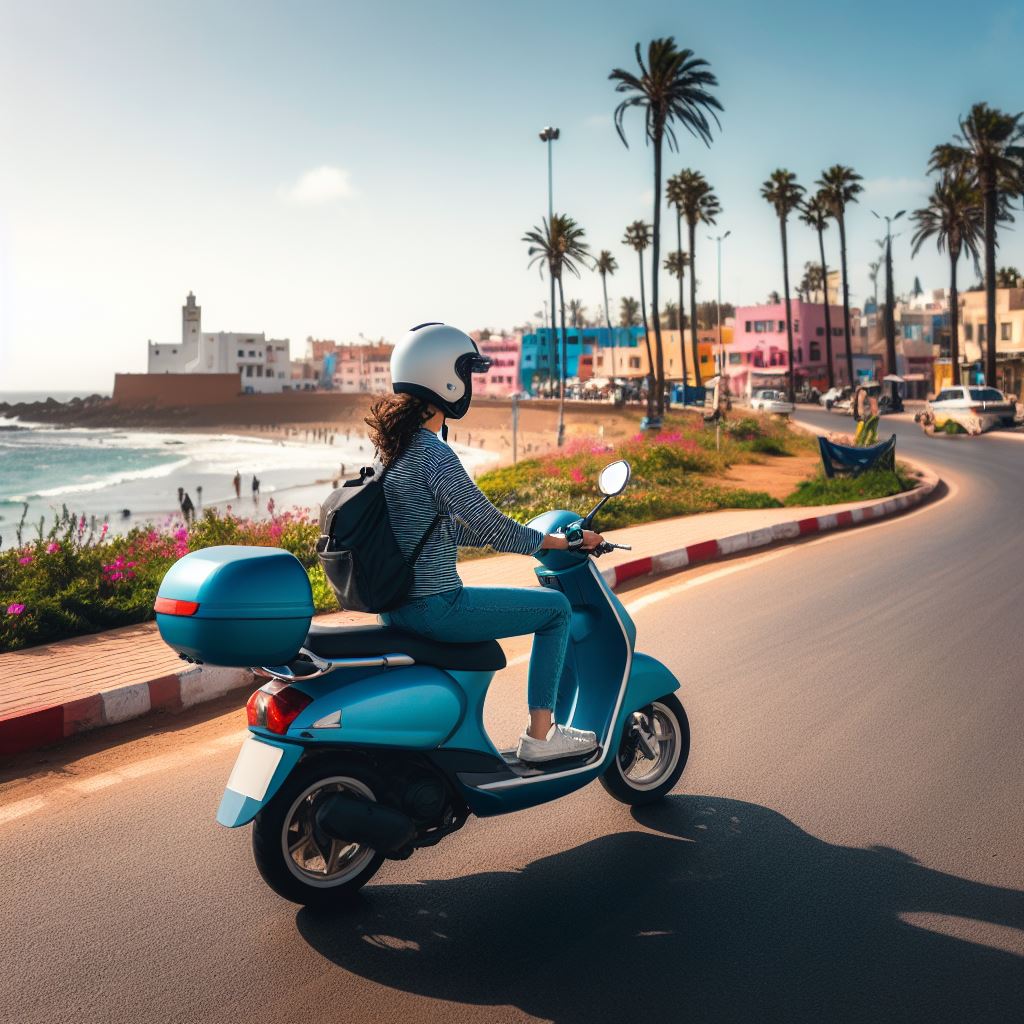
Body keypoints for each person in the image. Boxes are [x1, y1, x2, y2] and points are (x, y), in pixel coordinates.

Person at [372, 322, 602, 763]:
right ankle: (541, 736)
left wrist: (542, 540)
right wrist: (557, 543)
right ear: (446, 378)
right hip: (435, 605)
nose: (470, 385)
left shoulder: (394, 450)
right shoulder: (433, 454)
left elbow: (441, 529)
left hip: (396, 606)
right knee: (555, 610)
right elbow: (495, 528)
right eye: (467, 373)